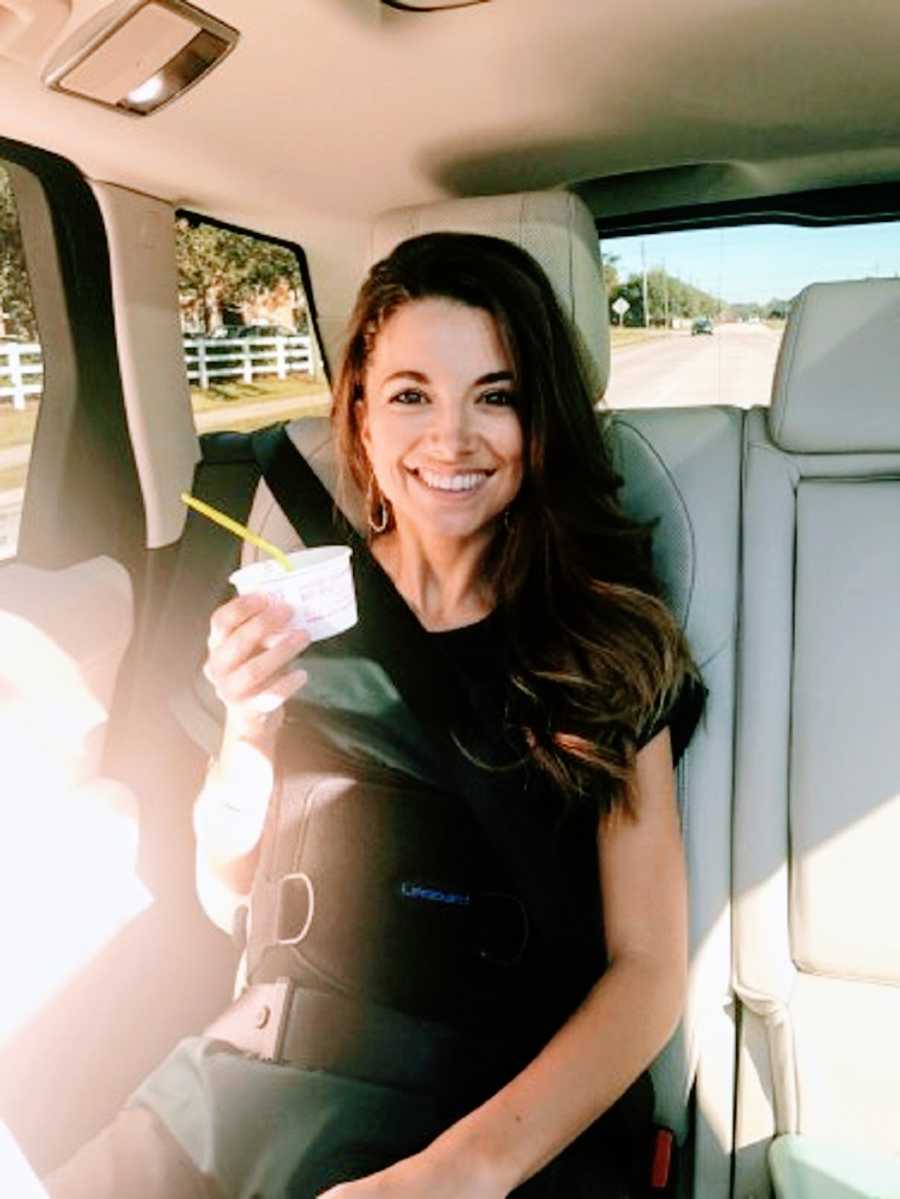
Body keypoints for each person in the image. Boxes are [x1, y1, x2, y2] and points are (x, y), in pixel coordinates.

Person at [45, 231, 705, 1199]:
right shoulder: (294, 610)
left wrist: (458, 1172)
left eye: (496, 394)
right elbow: (226, 898)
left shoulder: (606, 639)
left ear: (540, 418)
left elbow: (648, 970)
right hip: (245, 1089)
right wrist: (247, 729)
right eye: (411, 395)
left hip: (494, 1116)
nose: (452, 439)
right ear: (359, 415)